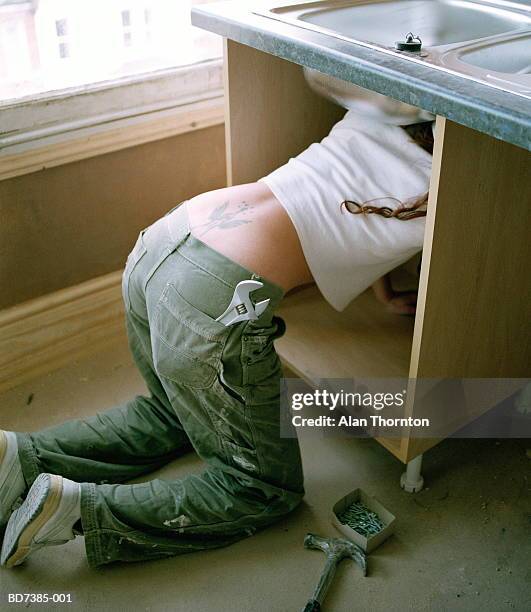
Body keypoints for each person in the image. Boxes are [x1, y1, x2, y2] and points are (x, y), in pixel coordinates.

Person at [0, 109, 434, 568]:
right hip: (215, 296)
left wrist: (381, 288)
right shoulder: (440, 190)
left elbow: (347, 203)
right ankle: (75, 509)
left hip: (165, 242)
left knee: (175, 412)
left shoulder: (372, 119)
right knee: (262, 490)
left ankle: (18, 458)